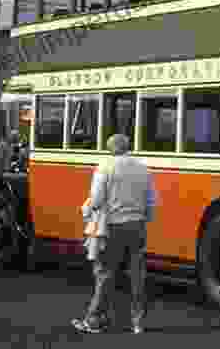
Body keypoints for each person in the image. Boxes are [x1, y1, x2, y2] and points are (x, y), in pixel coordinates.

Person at [72, 134, 157, 334]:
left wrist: (86, 210)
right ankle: (138, 323)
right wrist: (145, 219)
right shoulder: (143, 168)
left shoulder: (105, 167)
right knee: (137, 275)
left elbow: (97, 199)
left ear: (110, 149)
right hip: (137, 226)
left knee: (105, 274)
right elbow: (151, 200)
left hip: (112, 226)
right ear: (127, 147)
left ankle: (94, 319)